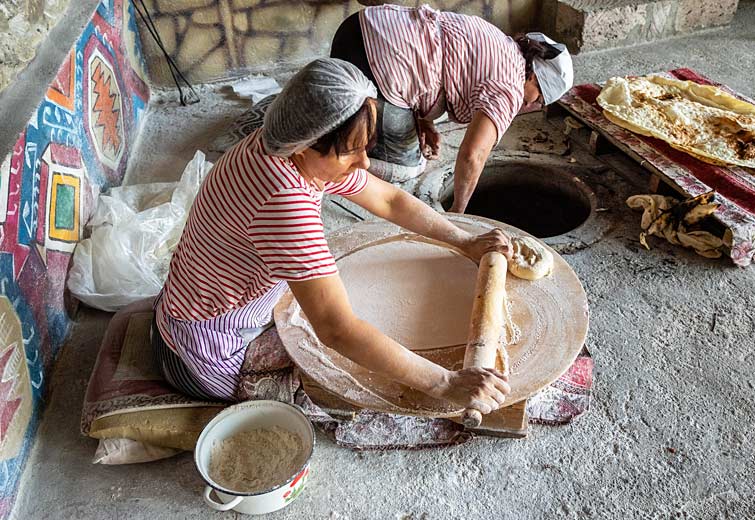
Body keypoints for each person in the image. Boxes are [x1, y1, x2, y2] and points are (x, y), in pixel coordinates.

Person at [152, 58, 511, 417]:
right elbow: (337, 330)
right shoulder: (283, 201)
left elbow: (388, 199)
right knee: (351, 375)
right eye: (350, 151)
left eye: (365, 146)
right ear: (305, 145)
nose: (364, 163)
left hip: (186, 308)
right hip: (208, 351)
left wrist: (463, 241)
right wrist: (445, 383)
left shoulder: (286, 144)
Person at [330, 4, 574, 211]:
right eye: (539, 98)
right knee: (409, 166)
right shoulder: (510, 87)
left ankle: (345, 127)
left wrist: (424, 121)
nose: (530, 105)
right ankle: (332, 159)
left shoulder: (504, 45)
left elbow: (436, 59)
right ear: (534, 77)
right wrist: (458, 211)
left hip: (359, 26)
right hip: (370, 64)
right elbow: (472, 155)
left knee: (409, 140)